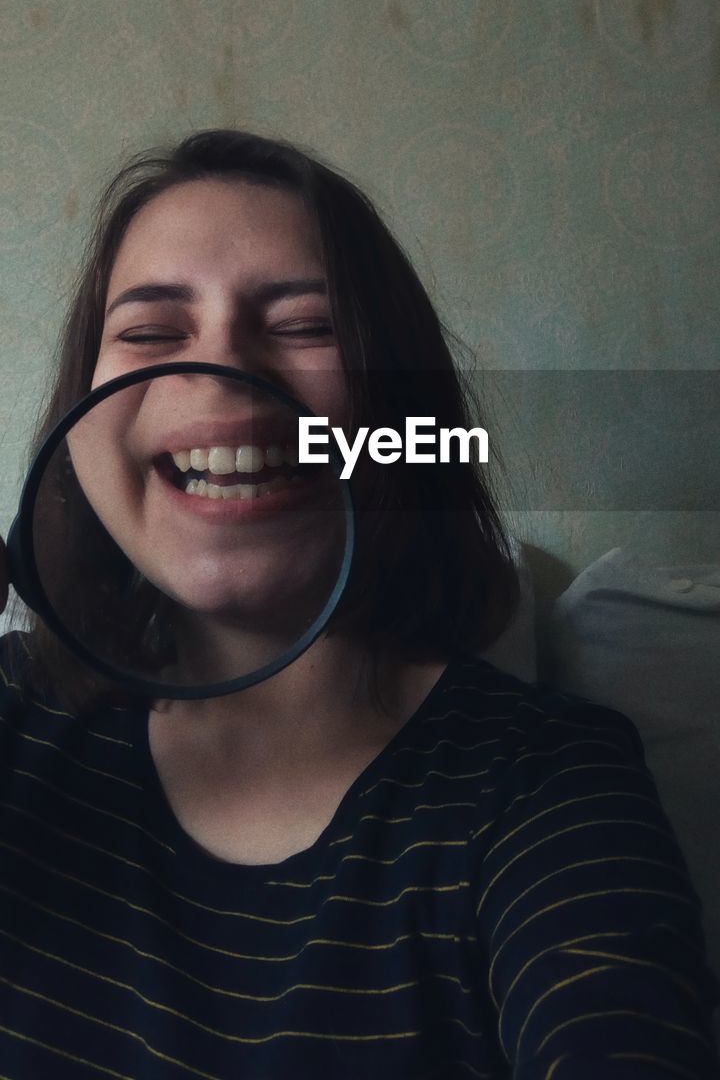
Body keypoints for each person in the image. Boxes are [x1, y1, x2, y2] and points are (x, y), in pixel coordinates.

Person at [0, 129, 717, 1079]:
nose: (226, 372)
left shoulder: (543, 781)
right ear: (81, 428)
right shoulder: (12, 717)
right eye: (150, 332)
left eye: (307, 326)